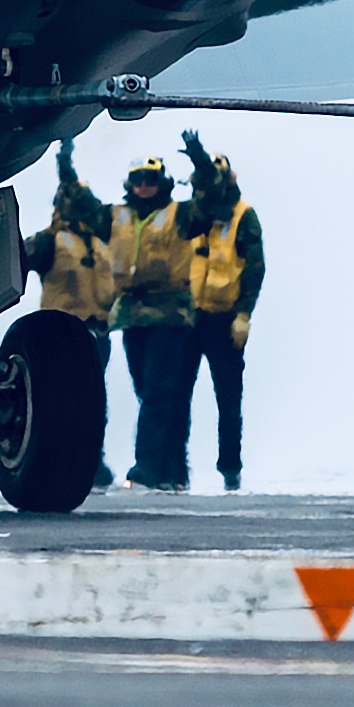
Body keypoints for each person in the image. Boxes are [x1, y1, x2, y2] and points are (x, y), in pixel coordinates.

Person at [22, 144, 124, 486]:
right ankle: (53, 464)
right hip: (60, 337)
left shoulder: (101, 243)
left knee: (94, 406)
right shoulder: (49, 241)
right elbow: (13, 262)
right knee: (57, 406)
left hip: (97, 336)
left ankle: (92, 463)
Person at [177, 132, 266, 490]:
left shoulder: (244, 216)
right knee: (176, 396)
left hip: (225, 319)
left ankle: (230, 469)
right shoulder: (193, 214)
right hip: (188, 318)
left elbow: (255, 268)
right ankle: (175, 470)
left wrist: (245, 314)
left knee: (228, 400)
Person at [108, 153, 201, 491]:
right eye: (138, 180)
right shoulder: (119, 216)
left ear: (162, 182)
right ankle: (173, 468)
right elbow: (78, 211)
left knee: (159, 393)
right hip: (133, 315)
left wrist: (202, 163)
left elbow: (212, 201)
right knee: (148, 391)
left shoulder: (181, 214)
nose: (144, 186)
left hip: (170, 314)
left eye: (150, 180)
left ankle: (147, 466)